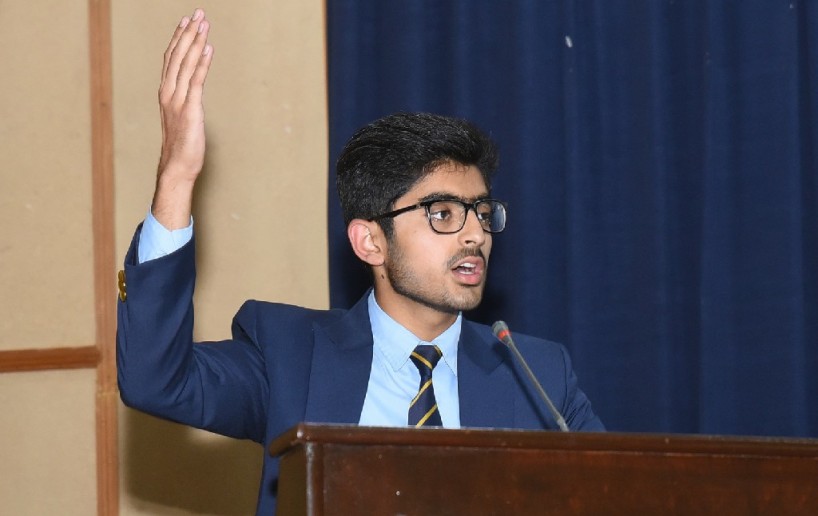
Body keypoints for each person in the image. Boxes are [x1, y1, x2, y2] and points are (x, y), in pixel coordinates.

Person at [117, 8, 604, 515]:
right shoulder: (291, 357)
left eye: (482, 212)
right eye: (443, 214)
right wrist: (176, 176)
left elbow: (617, 494)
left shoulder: (537, 377)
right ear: (370, 242)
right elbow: (155, 381)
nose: (475, 234)